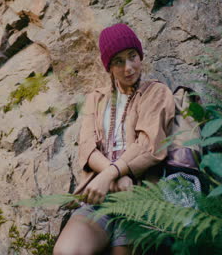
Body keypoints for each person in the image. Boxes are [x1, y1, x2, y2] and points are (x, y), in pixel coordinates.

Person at [53, 23, 176, 255]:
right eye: (118, 61)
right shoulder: (96, 98)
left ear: (140, 55)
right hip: (100, 193)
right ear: (108, 66)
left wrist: (111, 174)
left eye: (132, 56)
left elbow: (148, 146)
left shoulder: (156, 93)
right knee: (66, 252)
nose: (128, 67)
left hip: (139, 195)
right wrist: (112, 179)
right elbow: (87, 148)